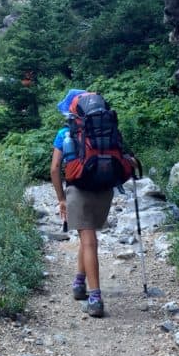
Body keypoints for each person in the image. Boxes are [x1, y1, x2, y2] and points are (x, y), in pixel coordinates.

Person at [50, 89, 114, 318]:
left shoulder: (64, 133)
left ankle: (95, 297)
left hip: (79, 189)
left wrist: (61, 199)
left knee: (88, 240)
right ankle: (79, 283)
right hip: (105, 188)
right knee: (87, 237)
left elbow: (55, 168)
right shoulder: (105, 128)